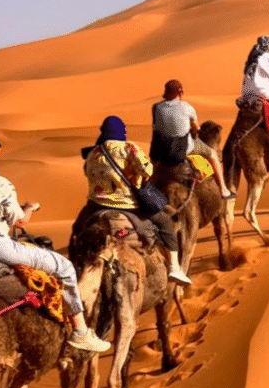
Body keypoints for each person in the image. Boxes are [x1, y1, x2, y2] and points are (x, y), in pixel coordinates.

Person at [0, 129, 111, 353]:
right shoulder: (0, 184)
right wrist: (29, 208)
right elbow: (19, 221)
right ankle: (80, 332)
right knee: (65, 267)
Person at [80, 116, 191, 285]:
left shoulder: (94, 153)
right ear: (121, 131)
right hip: (128, 206)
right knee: (165, 223)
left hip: (96, 206)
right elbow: (147, 170)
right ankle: (175, 268)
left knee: (78, 232)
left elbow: (87, 173)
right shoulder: (129, 148)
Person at [151, 79, 236, 199]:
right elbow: (196, 129)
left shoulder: (157, 108)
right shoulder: (187, 107)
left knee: (154, 168)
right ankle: (223, 189)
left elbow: (157, 129)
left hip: (163, 150)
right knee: (212, 154)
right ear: (180, 93)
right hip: (184, 148)